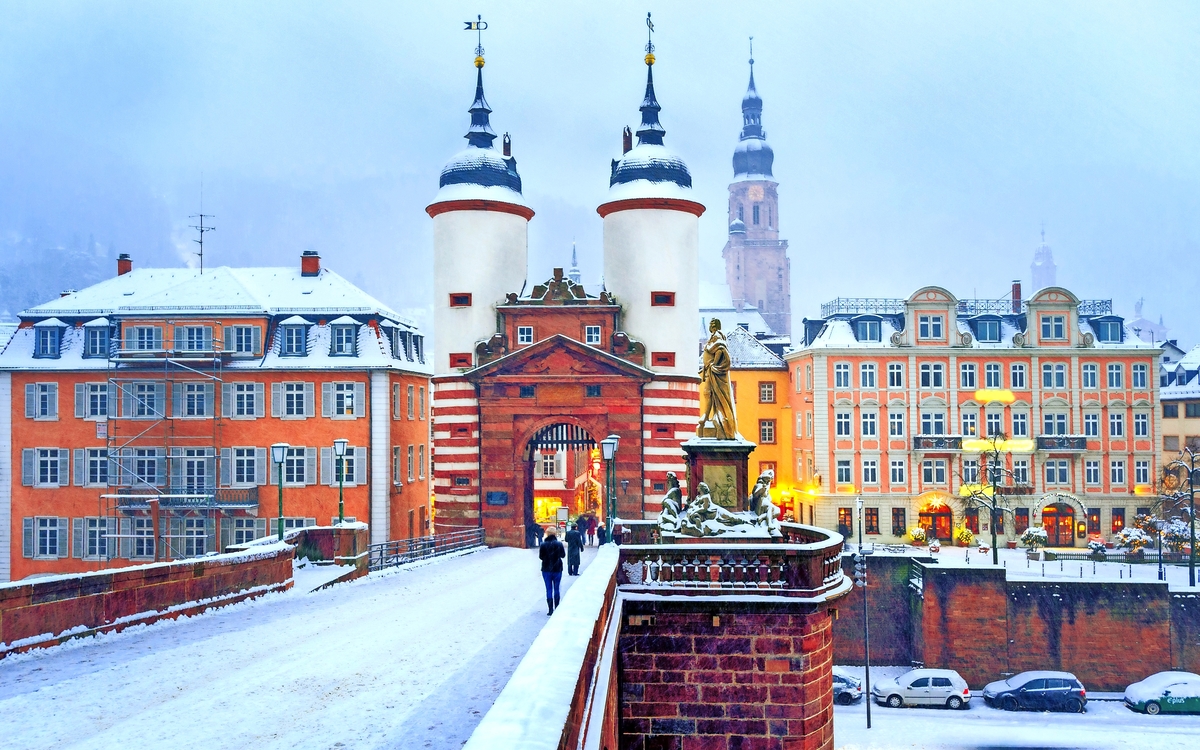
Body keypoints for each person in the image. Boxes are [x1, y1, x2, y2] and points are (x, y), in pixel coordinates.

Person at [539, 527, 565, 615]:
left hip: (546, 569)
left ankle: (550, 610)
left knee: (549, 589)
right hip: (557, 568)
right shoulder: (559, 544)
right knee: (557, 588)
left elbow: (541, 557)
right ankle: (557, 608)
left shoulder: (543, 544)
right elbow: (563, 555)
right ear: (555, 534)